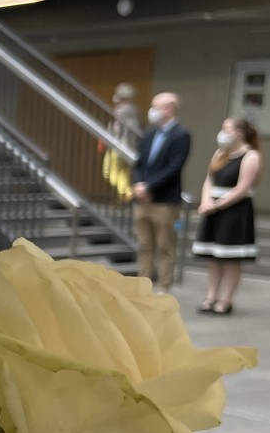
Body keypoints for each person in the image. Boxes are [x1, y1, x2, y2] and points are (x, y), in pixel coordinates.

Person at [191, 117, 261, 315]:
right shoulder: (220, 153)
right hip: (213, 209)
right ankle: (210, 297)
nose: (222, 133)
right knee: (213, 258)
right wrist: (206, 201)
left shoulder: (251, 156)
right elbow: (209, 180)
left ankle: (225, 300)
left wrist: (217, 205)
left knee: (230, 259)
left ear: (239, 133)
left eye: (227, 129)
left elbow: (242, 188)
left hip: (234, 211)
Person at [132, 92, 191, 293]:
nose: (152, 111)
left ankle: (164, 286)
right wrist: (139, 184)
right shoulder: (149, 134)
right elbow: (138, 163)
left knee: (165, 245)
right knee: (144, 245)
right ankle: (143, 284)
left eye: (155, 107)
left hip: (165, 202)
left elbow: (174, 168)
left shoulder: (181, 135)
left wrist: (149, 186)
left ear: (168, 109)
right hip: (142, 201)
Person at [104, 83, 142, 199]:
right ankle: (125, 195)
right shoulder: (135, 110)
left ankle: (126, 193)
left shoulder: (120, 111)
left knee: (110, 171)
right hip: (132, 146)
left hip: (119, 144)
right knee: (125, 172)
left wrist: (108, 137)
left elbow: (117, 128)